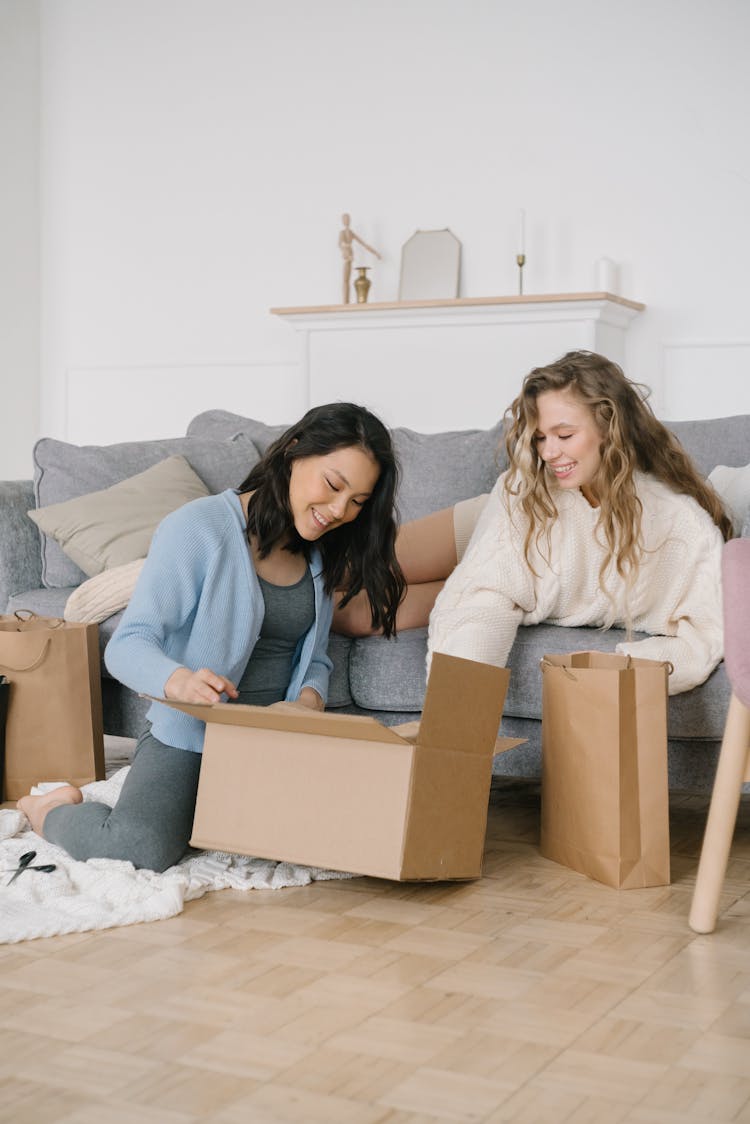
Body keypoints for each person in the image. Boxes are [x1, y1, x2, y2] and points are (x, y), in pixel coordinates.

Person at [17, 403, 406, 872]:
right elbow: (128, 643)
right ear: (294, 451)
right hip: (193, 734)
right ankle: (52, 808)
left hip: (273, 746)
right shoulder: (198, 528)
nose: (340, 510)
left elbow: (315, 657)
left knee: (340, 838)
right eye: (333, 485)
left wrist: (306, 703)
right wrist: (179, 681)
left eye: (358, 502)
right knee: (141, 848)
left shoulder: (321, 554)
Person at [335, 351, 731, 696]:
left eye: (564, 434)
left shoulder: (670, 517)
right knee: (348, 565)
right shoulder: (528, 485)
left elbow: (706, 626)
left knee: (355, 614)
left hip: (526, 571)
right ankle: (276, 588)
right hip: (503, 522)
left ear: (610, 427)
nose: (549, 451)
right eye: (540, 437)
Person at [339, 213, 381, 304]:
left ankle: (346, 302)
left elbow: (364, 244)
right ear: (342, 221)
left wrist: (375, 253)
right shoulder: (342, 233)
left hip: (350, 256)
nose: (346, 221)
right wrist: (347, 255)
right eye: (344, 219)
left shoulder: (351, 233)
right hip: (347, 257)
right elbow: (340, 245)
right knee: (345, 280)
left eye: (348, 219)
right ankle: (345, 301)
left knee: (347, 279)